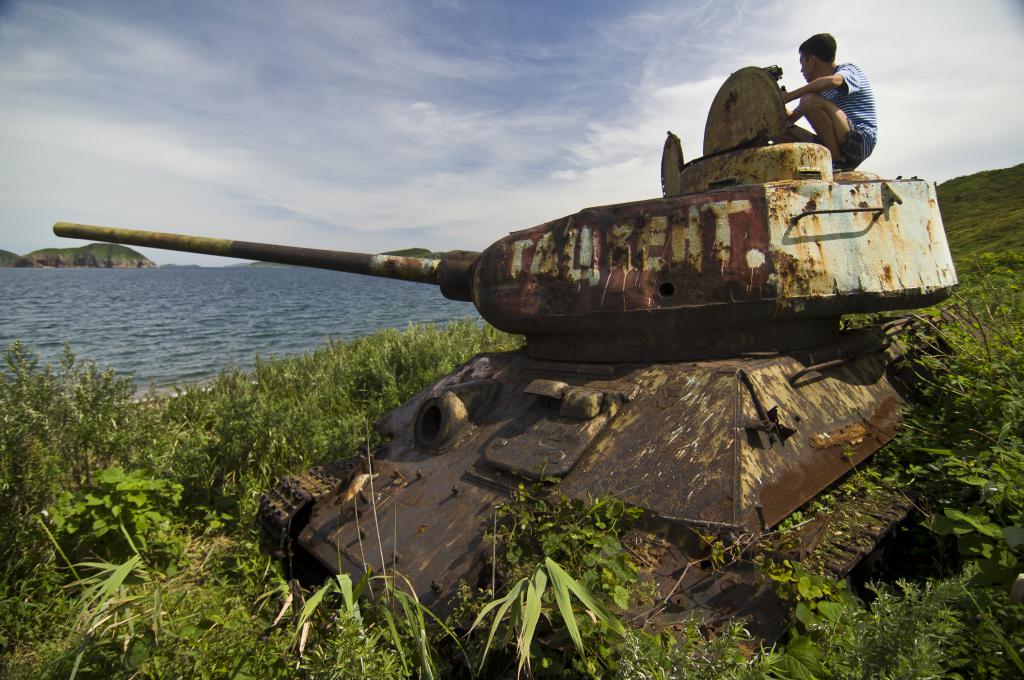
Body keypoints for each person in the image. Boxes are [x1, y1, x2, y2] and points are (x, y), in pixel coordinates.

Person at [776, 33, 877, 169]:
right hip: (835, 142)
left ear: (812, 60)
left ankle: (836, 162)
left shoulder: (848, 70)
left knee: (807, 100)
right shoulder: (817, 92)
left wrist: (791, 96)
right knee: (778, 130)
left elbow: (834, 81)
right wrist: (775, 98)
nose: (801, 70)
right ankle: (832, 159)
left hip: (858, 141)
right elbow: (790, 118)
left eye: (802, 63)